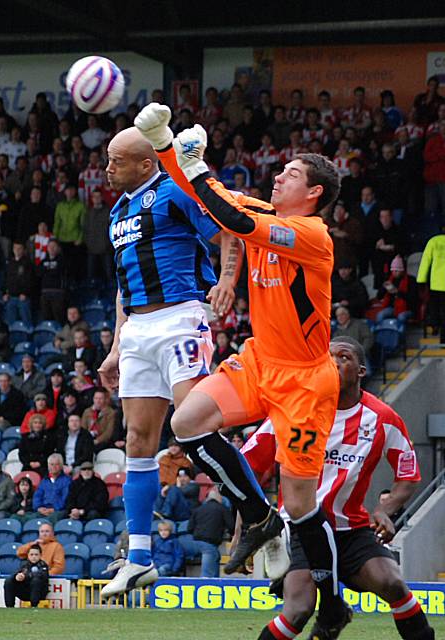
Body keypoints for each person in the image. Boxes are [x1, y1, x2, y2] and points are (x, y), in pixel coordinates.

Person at [135, 104, 346, 619]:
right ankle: (255, 514)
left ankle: (331, 598)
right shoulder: (270, 215)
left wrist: (199, 162)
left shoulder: (313, 237)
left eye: (291, 174)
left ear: (314, 193)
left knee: (300, 501)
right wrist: (165, 143)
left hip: (304, 381)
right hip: (258, 362)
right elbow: (201, 199)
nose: (279, 177)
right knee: (186, 423)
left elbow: (228, 215)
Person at [98, 125, 241, 597]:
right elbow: (123, 286)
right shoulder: (118, 212)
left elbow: (226, 232)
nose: (107, 167)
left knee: (191, 425)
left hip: (181, 316)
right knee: (137, 439)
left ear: (145, 163)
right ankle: (139, 558)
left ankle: (259, 514)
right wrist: (118, 345)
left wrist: (225, 281)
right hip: (138, 328)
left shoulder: (174, 192)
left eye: (116, 160)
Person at [242, 337, 434, 640]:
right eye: (326, 358)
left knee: (393, 583)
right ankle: (332, 618)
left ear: (360, 370)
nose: (332, 363)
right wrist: (247, 531)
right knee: (298, 609)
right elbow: (247, 469)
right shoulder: (293, 413)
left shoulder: (383, 418)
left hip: (351, 530)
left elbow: (408, 475)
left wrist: (385, 509)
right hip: (301, 530)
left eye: (342, 357)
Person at [187, 489, 234, 578]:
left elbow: (189, 528)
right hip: (209, 543)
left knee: (216, 555)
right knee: (207, 575)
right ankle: (206, 586)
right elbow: (231, 526)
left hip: (193, 542)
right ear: (219, 499)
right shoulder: (222, 509)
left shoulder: (198, 509)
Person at [417, 230, 445, 343]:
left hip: (436, 283)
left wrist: (421, 280)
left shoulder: (434, 241)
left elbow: (425, 261)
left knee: (435, 308)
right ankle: (443, 338)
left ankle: (435, 327)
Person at [4, 543, 50, 608]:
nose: (34, 557)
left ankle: (34, 606)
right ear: (28, 555)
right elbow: (18, 572)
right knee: (9, 580)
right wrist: (17, 577)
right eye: (31, 555)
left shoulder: (43, 565)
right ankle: (9, 606)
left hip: (39, 593)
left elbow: (42, 575)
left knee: (36, 580)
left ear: (40, 556)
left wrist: (25, 576)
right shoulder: (24, 564)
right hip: (25, 591)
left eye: (36, 555)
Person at [32, 453, 72, 523]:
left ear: (61, 466)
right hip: (43, 509)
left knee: (51, 519)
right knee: (32, 519)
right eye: (51, 464)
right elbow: (37, 496)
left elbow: (65, 498)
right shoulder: (44, 481)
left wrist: (53, 509)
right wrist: (39, 508)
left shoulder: (67, 481)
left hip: (58, 511)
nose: (54, 467)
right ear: (48, 466)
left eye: (57, 464)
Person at [3, 240, 35, 326]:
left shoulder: (28, 263)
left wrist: (25, 293)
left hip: (23, 297)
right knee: (10, 324)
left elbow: (31, 280)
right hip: (11, 297)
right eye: (15, 248)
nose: (17, 250)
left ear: (24, 250)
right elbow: (5, 279)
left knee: (27, 323)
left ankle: (28, 338)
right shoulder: (9, 263)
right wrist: (4, 293)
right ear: (13, 250)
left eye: (19, 248)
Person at [80, 387, 116, 452]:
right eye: (96, 398)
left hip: (102, 442)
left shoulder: (111, 413)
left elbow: (109, 432)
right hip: (87, 440)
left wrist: (97, 441)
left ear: (105, 399)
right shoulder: (87, 411)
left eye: (100, 398)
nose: (98, 401)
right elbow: (83, 428)